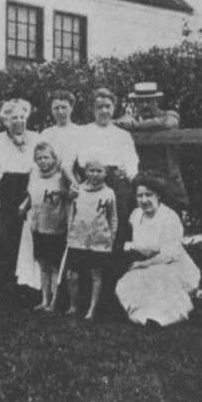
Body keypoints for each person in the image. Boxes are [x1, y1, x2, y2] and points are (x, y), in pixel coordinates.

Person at [64, 88, 139, 314]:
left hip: (115, 187)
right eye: (99, 107)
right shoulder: (82, 132)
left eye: (108, 106)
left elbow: (132, 166)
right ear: (92, 109)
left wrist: (131, 181)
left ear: (113, 108)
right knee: (84, 238)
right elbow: (67, 163)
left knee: (113, 237)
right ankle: (82, 299)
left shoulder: (123, 135)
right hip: (87, 186)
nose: (104, 110)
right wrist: (75, 183)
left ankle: (108, 301)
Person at [16, 89, 82, 290]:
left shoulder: (80, 132)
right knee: (44, 238)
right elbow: (37, 164)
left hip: (70, 186)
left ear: (71, 108)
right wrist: (28, 199)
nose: (60, 111)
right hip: (46, 190)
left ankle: (65, 289)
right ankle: (44, 288)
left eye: (64, 107)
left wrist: (73, 184)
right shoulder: (46, 133)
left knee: (68, 234)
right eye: (56, 108)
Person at [115, 173, 200, 327]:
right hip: (149, 264)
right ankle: (142, 317)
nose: (144, 200)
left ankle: (161, 319)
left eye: (149, 195)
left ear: (158, 195)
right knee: (127, 283)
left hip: (175, 266)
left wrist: (142, 264)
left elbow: (169, 255)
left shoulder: (169, 218)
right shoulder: (136, 215)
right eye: (140, 196)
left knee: (160, 280)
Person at [0, 98, 39, 294]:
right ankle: (1, 283)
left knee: (26, 237)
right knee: (1, 236)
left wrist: (29, 199)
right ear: (6, 120)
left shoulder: (35, 138)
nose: (19, 121)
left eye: (22, 117)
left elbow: (38, 170)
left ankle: (24, 284)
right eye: (14, 117)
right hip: (6, 190)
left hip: (28, 189)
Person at [114, 82, 189, 212]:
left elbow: (168, 123)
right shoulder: (129, 119)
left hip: (168, 182)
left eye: (149, 101)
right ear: (135, 103)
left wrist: (135, 126)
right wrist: (122, 122)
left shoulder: (170, 115)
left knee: (172, 218)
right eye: (140, 102)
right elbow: (113, 123)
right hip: (141, 183)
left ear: (157, 101)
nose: (145, 105)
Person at [18, 141, 69, 311]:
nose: (43, 161)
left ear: (54, 158)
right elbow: (31, 195)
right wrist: (24, 207)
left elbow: (70, 196)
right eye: (39, 158)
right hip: (37, 225)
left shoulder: (61, 176)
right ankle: (44, 299)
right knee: (43, 265)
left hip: (55, 226)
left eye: (46, 157)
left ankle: (55, 300)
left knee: (54, 266)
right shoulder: (34, 175)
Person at [65, 157, 118, 320]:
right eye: (91, 170)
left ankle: (91, 310)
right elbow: (71, 211)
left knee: (96, 274)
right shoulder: (78, 190)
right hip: (78, 238)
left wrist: (111, 236)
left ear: (106, 173)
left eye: (99, 171)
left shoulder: (109, 193)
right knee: (72, 275)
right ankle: (73, 306)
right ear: (86, 172)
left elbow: (113, 217)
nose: (95, 174)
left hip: (99, 240)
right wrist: (70, 230)